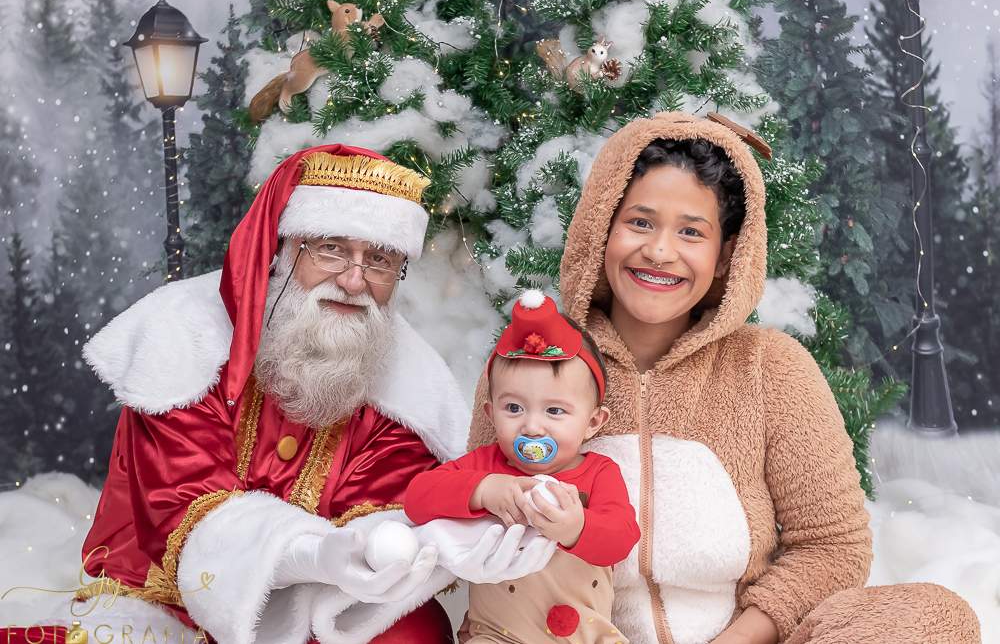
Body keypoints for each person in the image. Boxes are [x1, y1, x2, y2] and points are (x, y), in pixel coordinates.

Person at [467, 113, 981, 644]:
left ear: (724, 255)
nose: (660, 250)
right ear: (601, 230)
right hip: (575, 636)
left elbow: (833, 545)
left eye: (691, 231)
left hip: (737, 637)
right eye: (640, 222)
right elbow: (472, 507)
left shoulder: (770, 367)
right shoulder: (529, 365)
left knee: (932, 616)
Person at [74, 145, 555, 644]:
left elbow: (382, 505)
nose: (353, 280)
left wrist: (437, 539)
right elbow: (181, 508)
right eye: (330, 248)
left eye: (380, 260)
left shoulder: (406, 385)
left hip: (314, 594)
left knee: (414, 633)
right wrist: (310, 550)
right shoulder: (185, 339)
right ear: (284, 250)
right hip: (174, 590)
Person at [406, 291, 640, 644]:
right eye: (514, 408)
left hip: (588, 636)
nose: (532, 427)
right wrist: (482, 490)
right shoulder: (484, 466)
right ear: (491, 414)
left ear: (593, 423)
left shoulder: (599, 473)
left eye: (555, 411)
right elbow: (416, 498)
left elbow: (622, 539)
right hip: (499, 636)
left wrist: (578, 528)